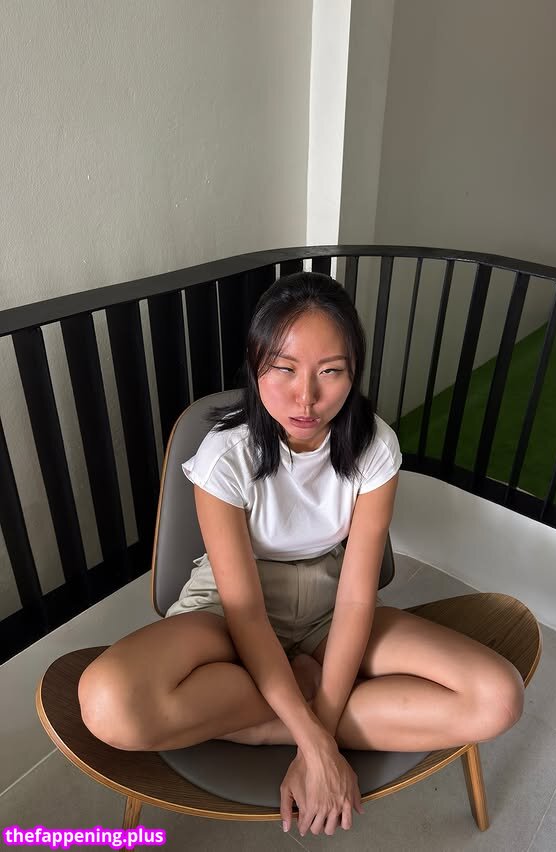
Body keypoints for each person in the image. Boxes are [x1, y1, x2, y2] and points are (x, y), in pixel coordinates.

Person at [78, 272, 524, 838]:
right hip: (228, 608)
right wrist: (315, 743)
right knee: (108, 704)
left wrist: (321, 730)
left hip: (331, 606)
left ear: (354, 371)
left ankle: (283, 711)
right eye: (284, 368)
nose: (306, 397)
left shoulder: (375, 448)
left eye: (330, 371)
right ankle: (298, 708)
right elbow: (245, 612)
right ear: (255, 365)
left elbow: (358, 597)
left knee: (497, 698)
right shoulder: (224, 456)